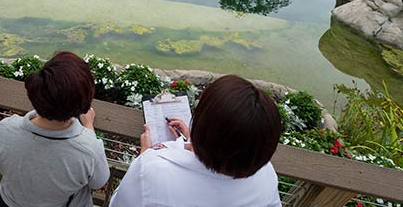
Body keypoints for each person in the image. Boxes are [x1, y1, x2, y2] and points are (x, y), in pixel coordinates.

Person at [110, 75, 283, 207]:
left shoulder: (151, 170)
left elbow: (118, 203)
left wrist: (145, 154)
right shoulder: (266, 176)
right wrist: (191, 142)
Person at [0, 51, 110, 207]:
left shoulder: (4, 129)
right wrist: (88, 128)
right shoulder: (88, 150)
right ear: (84, 104)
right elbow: (98, 182)